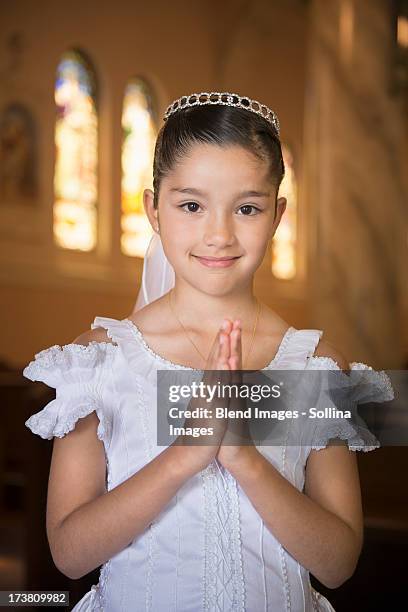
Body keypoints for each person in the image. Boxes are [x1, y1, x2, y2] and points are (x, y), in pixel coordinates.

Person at [23, 92, 394, 611]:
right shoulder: (100, 363)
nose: (218, 235)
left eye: (246, 208)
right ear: (153, 209)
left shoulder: (311, 366)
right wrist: (185, 457)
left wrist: (243, 457)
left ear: (278, 214)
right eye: (191, 205)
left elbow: (337, 563)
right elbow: (69, 553)